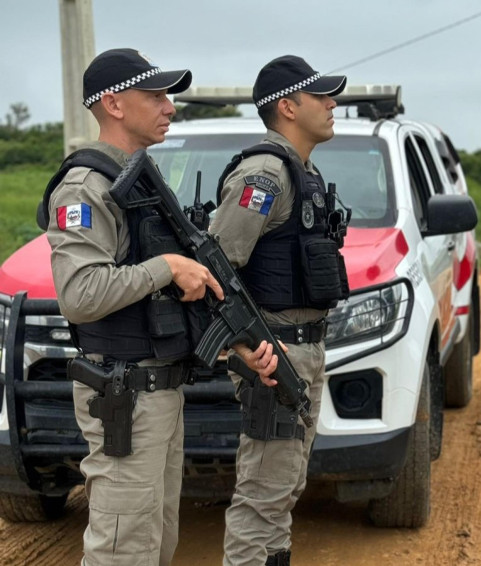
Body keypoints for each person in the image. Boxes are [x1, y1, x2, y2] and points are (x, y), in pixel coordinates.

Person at [43, 48, 279, 566]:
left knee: (153, 545)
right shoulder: (86, 186)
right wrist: (168, 268)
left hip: (158, 393)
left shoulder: (139, 182)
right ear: (114, 105)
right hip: (124, 394)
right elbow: (80, 295)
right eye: (154, 95)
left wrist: (237, 344)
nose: (169, 106)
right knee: (123, 550)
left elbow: (169, 299)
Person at [210, 55, 350, 566]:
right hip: (276, 355)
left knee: (283, 490)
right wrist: (246, 345)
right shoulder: (266, 174)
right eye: (321, 96)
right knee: (262, 498)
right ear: (288, 107)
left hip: (302, 347)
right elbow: (216, 268)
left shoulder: (301, 169)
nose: (333, 104)